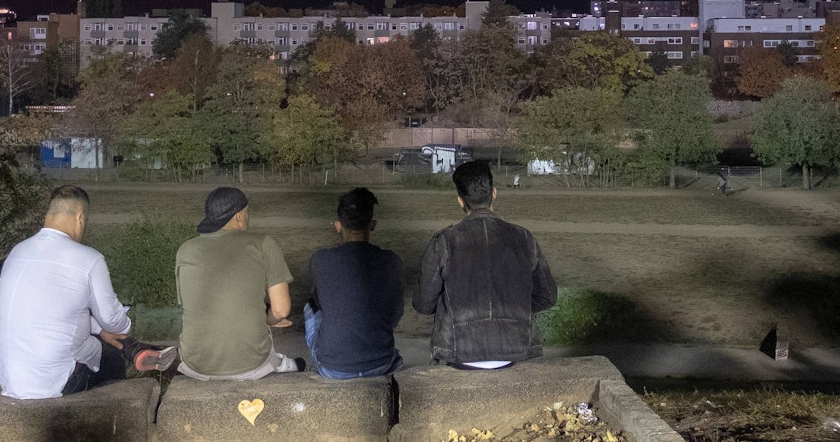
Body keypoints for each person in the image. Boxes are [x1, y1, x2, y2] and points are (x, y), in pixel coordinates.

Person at [0, 186, 174, 399]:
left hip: (8, 376)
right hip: (55, 381)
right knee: (111, 356)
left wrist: (99, 329)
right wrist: (118, 327)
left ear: (48, 215)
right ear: (80, 217)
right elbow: (114, 321)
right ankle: (116, 412)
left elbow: (49, 309)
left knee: (96, 333)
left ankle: (134, 350)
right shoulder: (89, 258)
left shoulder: (18, 251)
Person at [415, 161, 557, 369]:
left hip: (460, 352)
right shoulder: (523, 237)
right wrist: (515, 309)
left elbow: (423, 304)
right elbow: (547, 296)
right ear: (494, 193)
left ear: (460, 201)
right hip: (514, 349)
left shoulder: (444, 241)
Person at [175, 187, 306, 380]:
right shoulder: (263, 244)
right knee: (265, 347)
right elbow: (281, 311)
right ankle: (276, 363)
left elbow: (192, 304)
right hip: (250, 366)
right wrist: (268, 318)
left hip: (196, 365)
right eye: (247, 213)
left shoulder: (185, 250)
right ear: (239, 216)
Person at [304, 188, 405, 380]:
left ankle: (321, 362)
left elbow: (319, 301)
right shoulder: (391, 260)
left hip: (333, 367)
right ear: (373, 225)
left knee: (311, 306)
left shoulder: (320, 259)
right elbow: (394, 314)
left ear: (338, 225)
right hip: (380, 363)